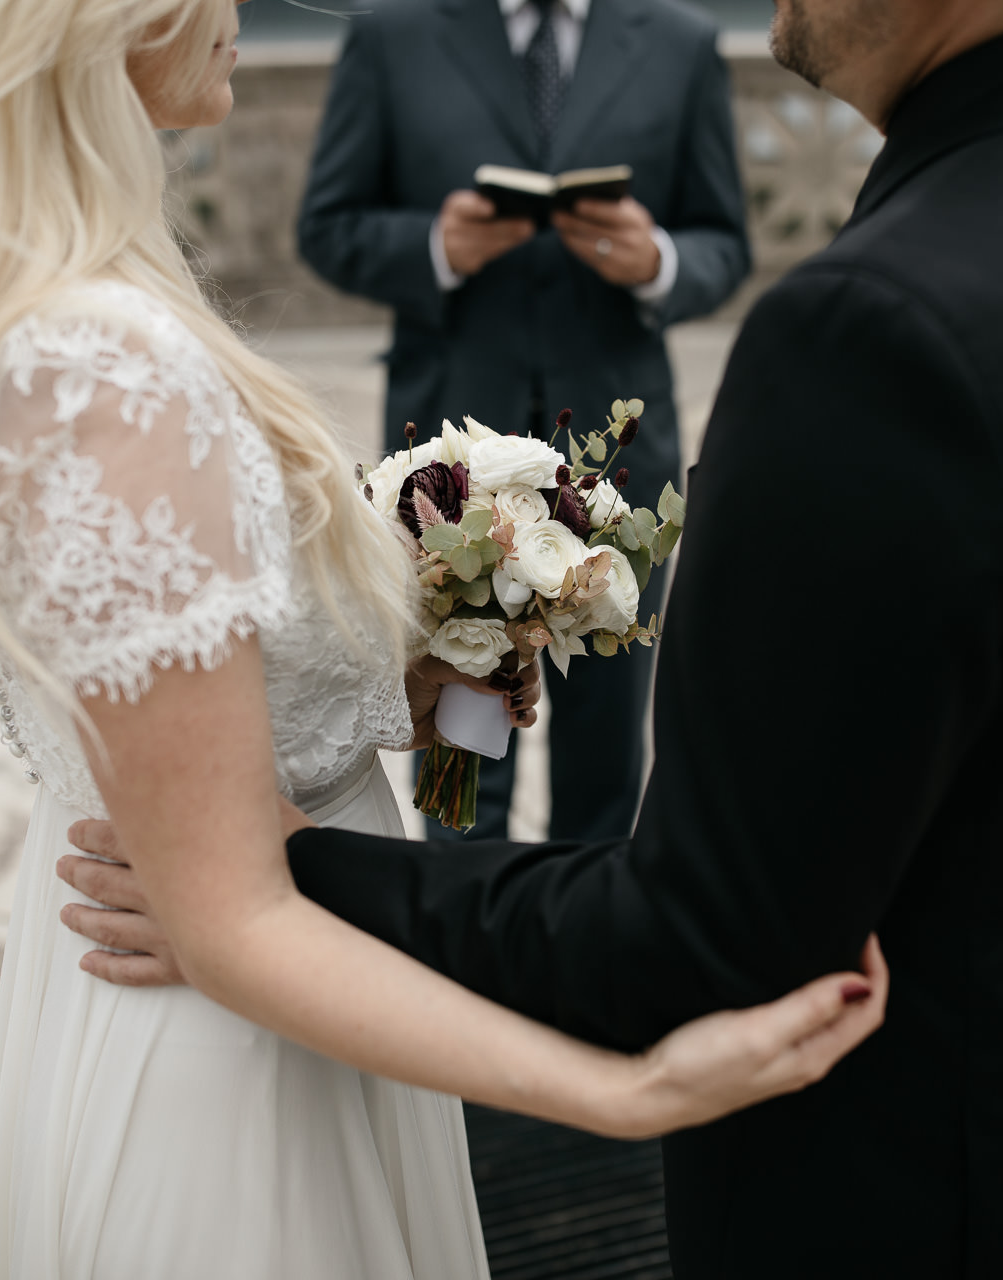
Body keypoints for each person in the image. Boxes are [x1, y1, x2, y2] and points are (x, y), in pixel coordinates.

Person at [59, 0, 1003, 1274]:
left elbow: (697, 935)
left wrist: (284, 880)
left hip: (896, 1185)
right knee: (470, 785)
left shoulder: (875, 330)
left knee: (605, 772)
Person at [0, 0, 888, 1275]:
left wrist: (398, 677)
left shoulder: (50, 309)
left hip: (234, 984)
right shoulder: (109, 366)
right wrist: (632, 1087)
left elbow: (190, 674)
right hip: (232, 1040)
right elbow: (233, 920)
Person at [297, 0, 752, 840]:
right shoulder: (390, 36)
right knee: (457, 721)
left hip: (617, 454)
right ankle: (457, 910)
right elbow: (326, 226)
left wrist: (658, 262)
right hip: (446, 459)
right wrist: (434, 248)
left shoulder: (682, 43)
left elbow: (725, 244)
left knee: (608, 739)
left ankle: (592, 910)